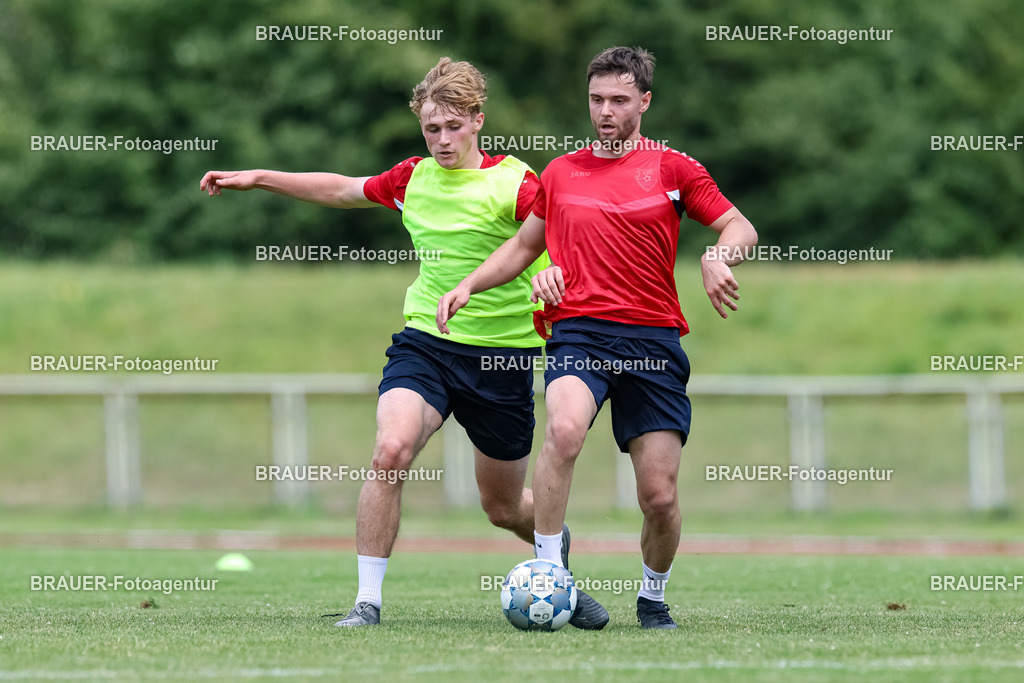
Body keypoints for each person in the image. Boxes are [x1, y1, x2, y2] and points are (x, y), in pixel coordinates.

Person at [200, 57, 607, 629]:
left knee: (500, 506)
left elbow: (563, 236)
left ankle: (550, 548)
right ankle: (367, 602)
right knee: (390, 451)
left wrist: (554, 272)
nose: (442, 140)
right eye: (431, 129)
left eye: (453, 127)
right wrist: (259, 178)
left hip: (503, 357)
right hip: (427, 345)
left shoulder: (516, 183)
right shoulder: (412, 178)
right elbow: (344, 190)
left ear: (478, 121)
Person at [437, 46, 758, 629]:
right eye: (595, 99)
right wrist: (469, 286)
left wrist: (718, 255)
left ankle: (653, 596)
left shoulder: (673, 169)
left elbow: (740, 225)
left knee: (658, 496)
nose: (605, 111)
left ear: (644, 102)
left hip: (654, 343)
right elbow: (524, 247)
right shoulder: (560, 173)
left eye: (618, 100)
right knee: (562, 430)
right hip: (577, 331)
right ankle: (547, 574)